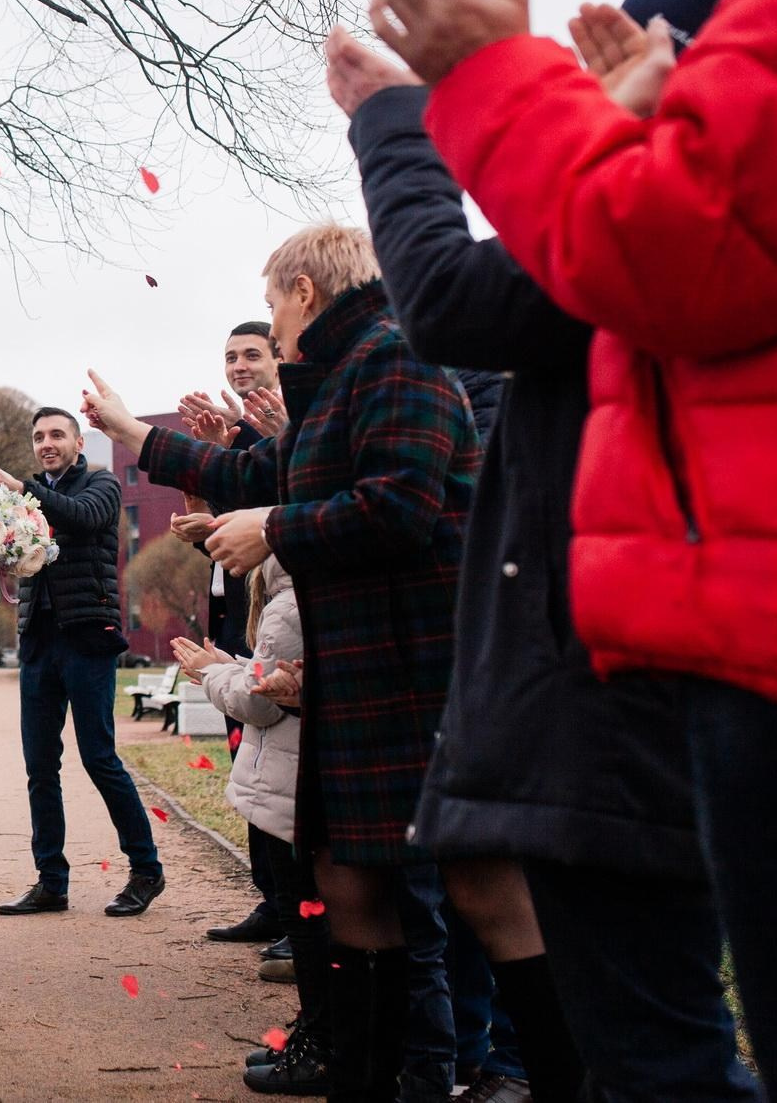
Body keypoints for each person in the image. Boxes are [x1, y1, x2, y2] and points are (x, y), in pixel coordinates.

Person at [370, 0, 777, 1085]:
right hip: (702, 621)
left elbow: (658, 247)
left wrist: (449, 99)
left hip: (733, 618)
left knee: (663, 1050)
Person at [331, 0, 755, 1103]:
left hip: (628, 649)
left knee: (661, 1061)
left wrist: (400, 125)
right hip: (648, 645)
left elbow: (456, 299)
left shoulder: (681, 203)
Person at [84, 223, 479, 1103]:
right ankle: (362, 1070)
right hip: (362, 671)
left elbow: (399, 508)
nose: (270, 320)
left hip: (409, 670)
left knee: (461, 895)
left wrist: (275, 525)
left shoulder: (393, 361)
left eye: (271, 304)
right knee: (346, 883)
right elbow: (261, 465)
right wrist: (135, 437)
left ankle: (445, 1070)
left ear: (304, 290)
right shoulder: (345, 374)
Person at [0, 409, 166, 920]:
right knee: (40, 768)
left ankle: (146, 870)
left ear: (78, 441)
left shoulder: (102, 485)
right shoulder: (29, 493)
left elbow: (79, 517)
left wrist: (18, 492)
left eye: (57, 434)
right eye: (38, 436)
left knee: (99, 758)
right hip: (38, 643)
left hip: (87, 639)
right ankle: (51, 882)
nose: (47, 443)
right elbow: (17, 549)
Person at [172, 561, 332, 1094]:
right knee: (304, 917)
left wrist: (211, 673)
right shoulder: (294, 595)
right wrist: (230, 664)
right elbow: (266, 675)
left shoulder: (286, 604)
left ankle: (321, 1041)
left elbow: (259, 704)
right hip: (284, 780)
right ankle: (317, 1034)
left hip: (286, 785)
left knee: (304, 919)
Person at [173, 323, 290, 947]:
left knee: (279, 769)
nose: (239, 365)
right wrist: (204, 530)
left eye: (251, 354)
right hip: (235, 623)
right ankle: (272, 900)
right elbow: (232, 550)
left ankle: (298, 911)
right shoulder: (233, 438)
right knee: (251, 765)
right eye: (229, 357)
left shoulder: (284, 434)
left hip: (284, 624)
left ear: (278, 360)